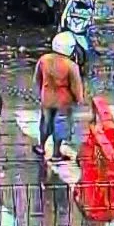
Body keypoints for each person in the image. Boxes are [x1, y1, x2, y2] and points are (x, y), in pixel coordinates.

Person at [33, 32, 85, 160]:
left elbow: (37, 77)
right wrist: (79, 99)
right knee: (61, 125)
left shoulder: (44, 60)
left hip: (47, 98)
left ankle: (41, 146)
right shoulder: (71, 65)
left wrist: (40, 91)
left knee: (45, 123)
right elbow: (75, 85)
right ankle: (56, 152)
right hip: (63, 101)